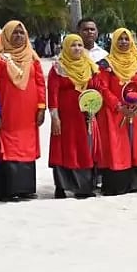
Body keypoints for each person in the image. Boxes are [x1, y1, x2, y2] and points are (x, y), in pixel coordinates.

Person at [0, 20, 46, 202]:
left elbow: (40, 83)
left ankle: (25, 189)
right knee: (7, 147)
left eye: (22, 33)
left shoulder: (33, 57)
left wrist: (41, 107)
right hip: (7, 112)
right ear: (6, 35)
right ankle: (7, 190)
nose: (19, 36)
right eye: (14, 33)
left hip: (28, 114)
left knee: (26, 147)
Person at [95, 28, 137, 195]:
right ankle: (118, 184)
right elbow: (103, 87)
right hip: (114, 112)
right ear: (114, 41)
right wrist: (118, 106)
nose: (123, 42)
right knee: (117, 146)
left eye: (126, 39)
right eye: (120, 39)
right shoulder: (105, 64)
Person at [47, 34, 99, 199]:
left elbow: (96, 89)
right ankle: (62, 187)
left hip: (85, 117)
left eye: (79, 45)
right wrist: (55, 117)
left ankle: (83, 187)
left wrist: (93, 110)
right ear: (66, 47)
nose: (77, 48)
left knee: (84, 148)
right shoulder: (58, 68)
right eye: (73, 45)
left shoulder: (90, 66)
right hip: (65, 118)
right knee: (64, 149)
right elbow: (53, 94)